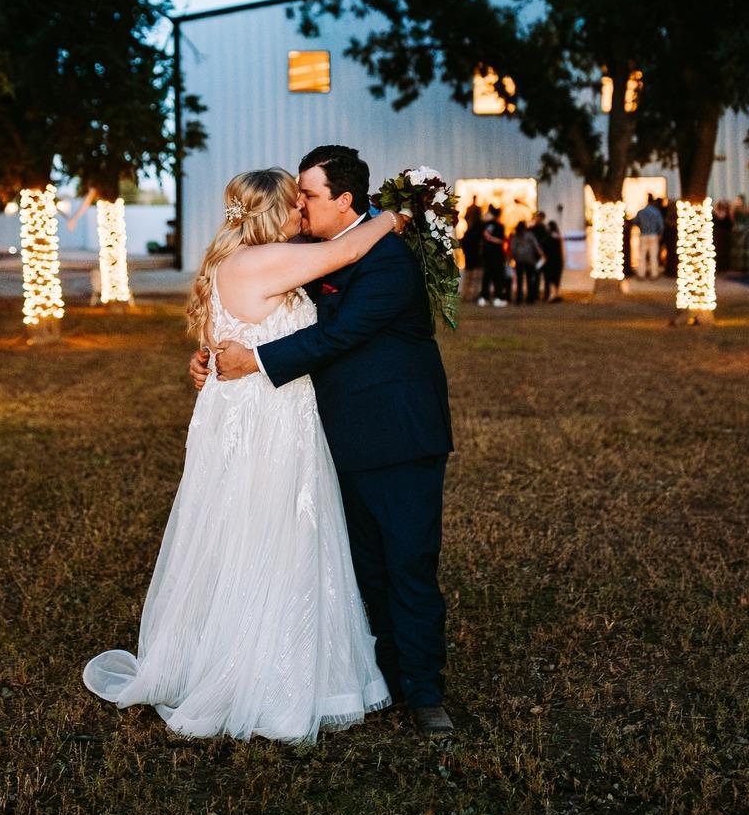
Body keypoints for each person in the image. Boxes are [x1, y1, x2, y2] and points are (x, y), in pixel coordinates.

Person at [88, 167, 404, 742]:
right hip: (266, 420)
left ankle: (242, 653)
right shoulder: (264, 261)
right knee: (273, 535)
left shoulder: (233, 263)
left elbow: (221, 343)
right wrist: (399, 213)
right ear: (273, 213)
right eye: (294, 204)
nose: (302, 211)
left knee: (246, 535)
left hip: (247, 414)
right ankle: (264, 675)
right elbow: (350, 248)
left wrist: (202, 363)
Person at [195, 144, 458, 738]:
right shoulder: (311, 250)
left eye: (308, 195)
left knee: (408, 564)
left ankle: (424, 692)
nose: (300, 206)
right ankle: (383, 675)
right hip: (333, 437)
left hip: (398, 435)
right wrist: (211, 356)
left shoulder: (387, 261)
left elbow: (339, 336)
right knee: (365, 568)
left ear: (344, 201)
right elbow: (258, 305)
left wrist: (254, 361)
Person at [478, 206, 509, 307]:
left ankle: (490, 297)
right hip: (492, 256)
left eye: (489, 213)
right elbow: (502, 240)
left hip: (493, 256)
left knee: (491, 277)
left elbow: (501, 240)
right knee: (492, 277)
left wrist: (489, 238)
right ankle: (491, 297)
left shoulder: (496, 226)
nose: (486, 215)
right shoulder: (487, 225)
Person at [511, 220, 544, 304]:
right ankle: (530, 298)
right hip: (530, 259)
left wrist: (513, 257)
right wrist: (542, 255)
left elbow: (513, 248)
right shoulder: (530, 235)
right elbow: (536, 245)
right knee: (529, 278)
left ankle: (519, 298)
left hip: (519, 259)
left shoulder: (516, 235)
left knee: (519, 279)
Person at [459, 202, 485, 303]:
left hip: (469, 255)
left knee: (468, 276)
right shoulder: (480, 229)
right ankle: (473, 294)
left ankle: (466, 295)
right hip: (476, 255)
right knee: (475, 277)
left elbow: (464, 243)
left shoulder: (469, 231)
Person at [632, 197, 665, 280]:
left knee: (642, 255)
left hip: (643, 234)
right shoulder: (656, 212)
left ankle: (641, 274)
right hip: (653, 235)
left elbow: (635, 222)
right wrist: (660, 233)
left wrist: (641, 226)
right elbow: (660, 224)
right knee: (653, 256)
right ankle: (654, 274)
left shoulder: (641, 212)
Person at [540, 219, 565, 301]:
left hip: (549, 260)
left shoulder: (547, 238)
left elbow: (543, 247)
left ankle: (550, 295)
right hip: (557, 260)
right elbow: (561, 250)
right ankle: (554, 294)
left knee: (549, 279)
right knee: (556, 278)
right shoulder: (558, 237)